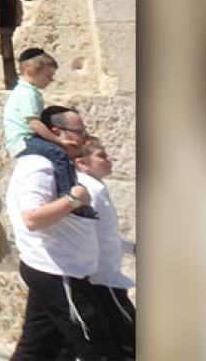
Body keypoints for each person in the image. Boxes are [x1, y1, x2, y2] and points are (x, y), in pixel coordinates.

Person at [6, 105, 130, 359]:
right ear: (56, 132)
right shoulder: (39, 166)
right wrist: (73, 200)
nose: (84, 137)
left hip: (63, 268)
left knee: (40, 349)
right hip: (57, 271)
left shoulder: (54, 163)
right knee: (99, 346)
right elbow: (31, 218)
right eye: (79, 131)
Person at [4, 48, 96, 218]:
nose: (51, 80)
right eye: (47, 76)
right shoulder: (27, 94)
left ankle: (70, 196)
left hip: (26, 139)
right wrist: (58, 141)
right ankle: (68, 198)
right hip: (24, 140)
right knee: (58, 153)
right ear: (31, 71)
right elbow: (34, 123)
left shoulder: (29, 92)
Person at [75, 136, 136, 357]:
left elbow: (104, 234)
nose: (109, 160)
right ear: (82, 162)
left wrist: (132, 249)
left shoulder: (94, 187)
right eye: (101, 156)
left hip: (104, 278)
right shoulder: (92, 190)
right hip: (104, 279)